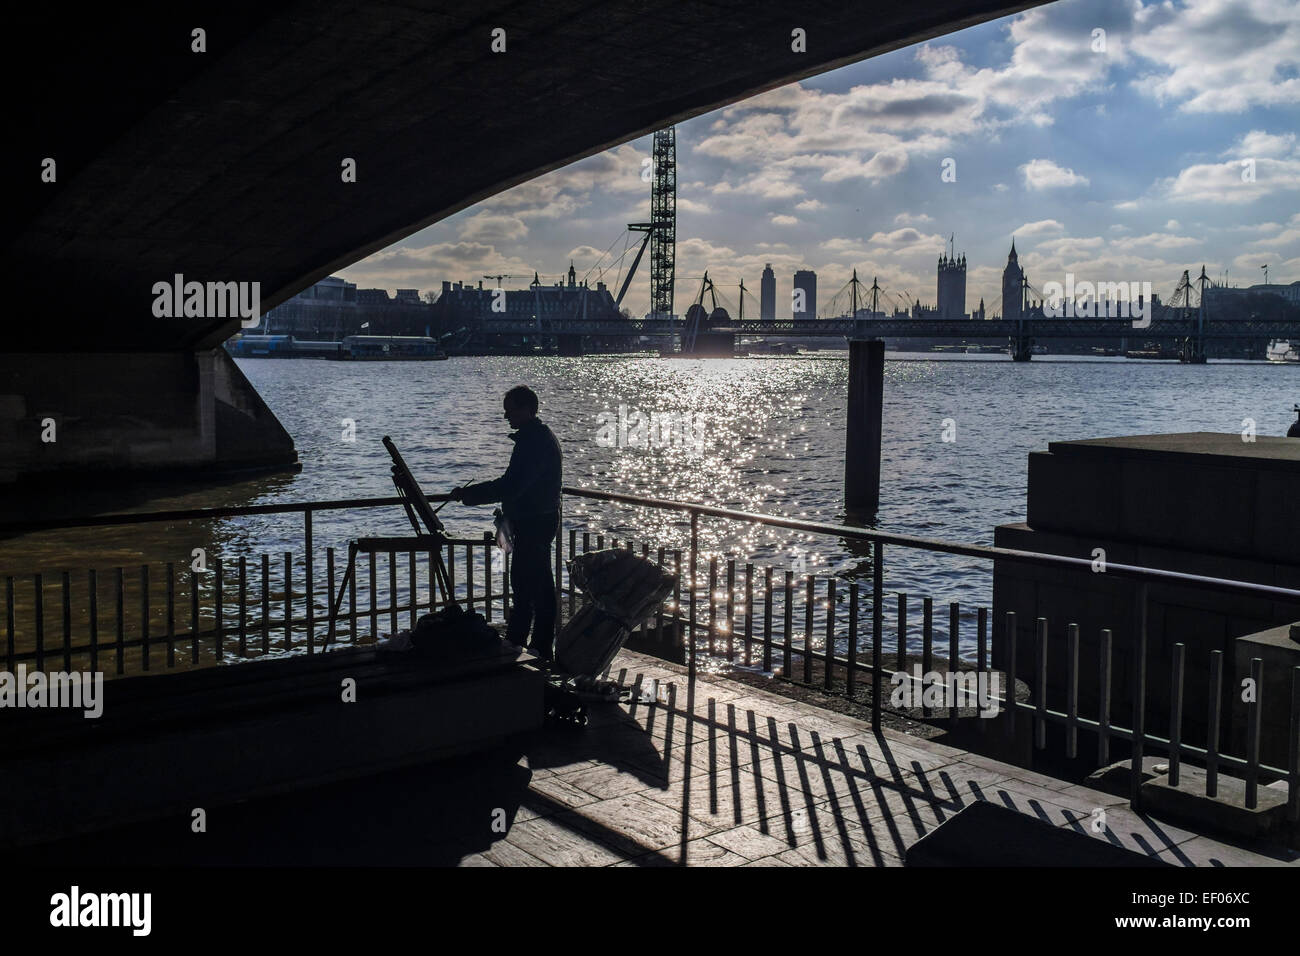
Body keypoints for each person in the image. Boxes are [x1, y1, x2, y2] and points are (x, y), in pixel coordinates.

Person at [450, 385, 563, 662]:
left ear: (526, 409)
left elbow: (511, 485)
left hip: (534, 522)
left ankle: (525, 645)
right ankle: (530, 645)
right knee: (534, 584)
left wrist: (470, 494)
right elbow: (517, 486)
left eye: (509, 410)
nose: (505, 416)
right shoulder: (537, 438)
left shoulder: (533, 442)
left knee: (530, 586)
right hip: (537, 519)